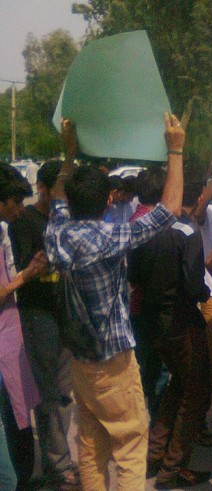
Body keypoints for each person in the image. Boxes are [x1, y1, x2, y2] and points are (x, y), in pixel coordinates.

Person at [44, 115, 185, 490]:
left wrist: (69, 155)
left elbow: (57, 197)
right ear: (108, 200)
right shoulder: (108, 237)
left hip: (80, 360)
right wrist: (175, 148)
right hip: (112, 363)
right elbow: (169, 208)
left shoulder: (57, 233)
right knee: (130, 444)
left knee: (90, 446)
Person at [129, 171, 212, 489]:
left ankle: (155, 454)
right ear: (198, 199)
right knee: (197, 392)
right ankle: (172, 469)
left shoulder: (147, 227)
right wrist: (206, 293)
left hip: (152, 322)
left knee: (178, 385)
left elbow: (133, 275)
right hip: (182, 323)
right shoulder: (188, 230)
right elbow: (193, 286)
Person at [8, 159, 79, 489]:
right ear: (43, 189)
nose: (65, 198)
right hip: (39, 315)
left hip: (66, 313)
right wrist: (39, 264)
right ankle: (57, 463)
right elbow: (22, 270)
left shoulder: (70, 219)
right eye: (60, 191)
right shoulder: (24, 222)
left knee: (64, 392)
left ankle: (60, 457)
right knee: (48, 391)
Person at [0, 163, 44, 489]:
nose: (19, 208)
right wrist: (27, 275)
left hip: (9, 337)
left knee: (17, 413)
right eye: (15, 201)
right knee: (10, 419)